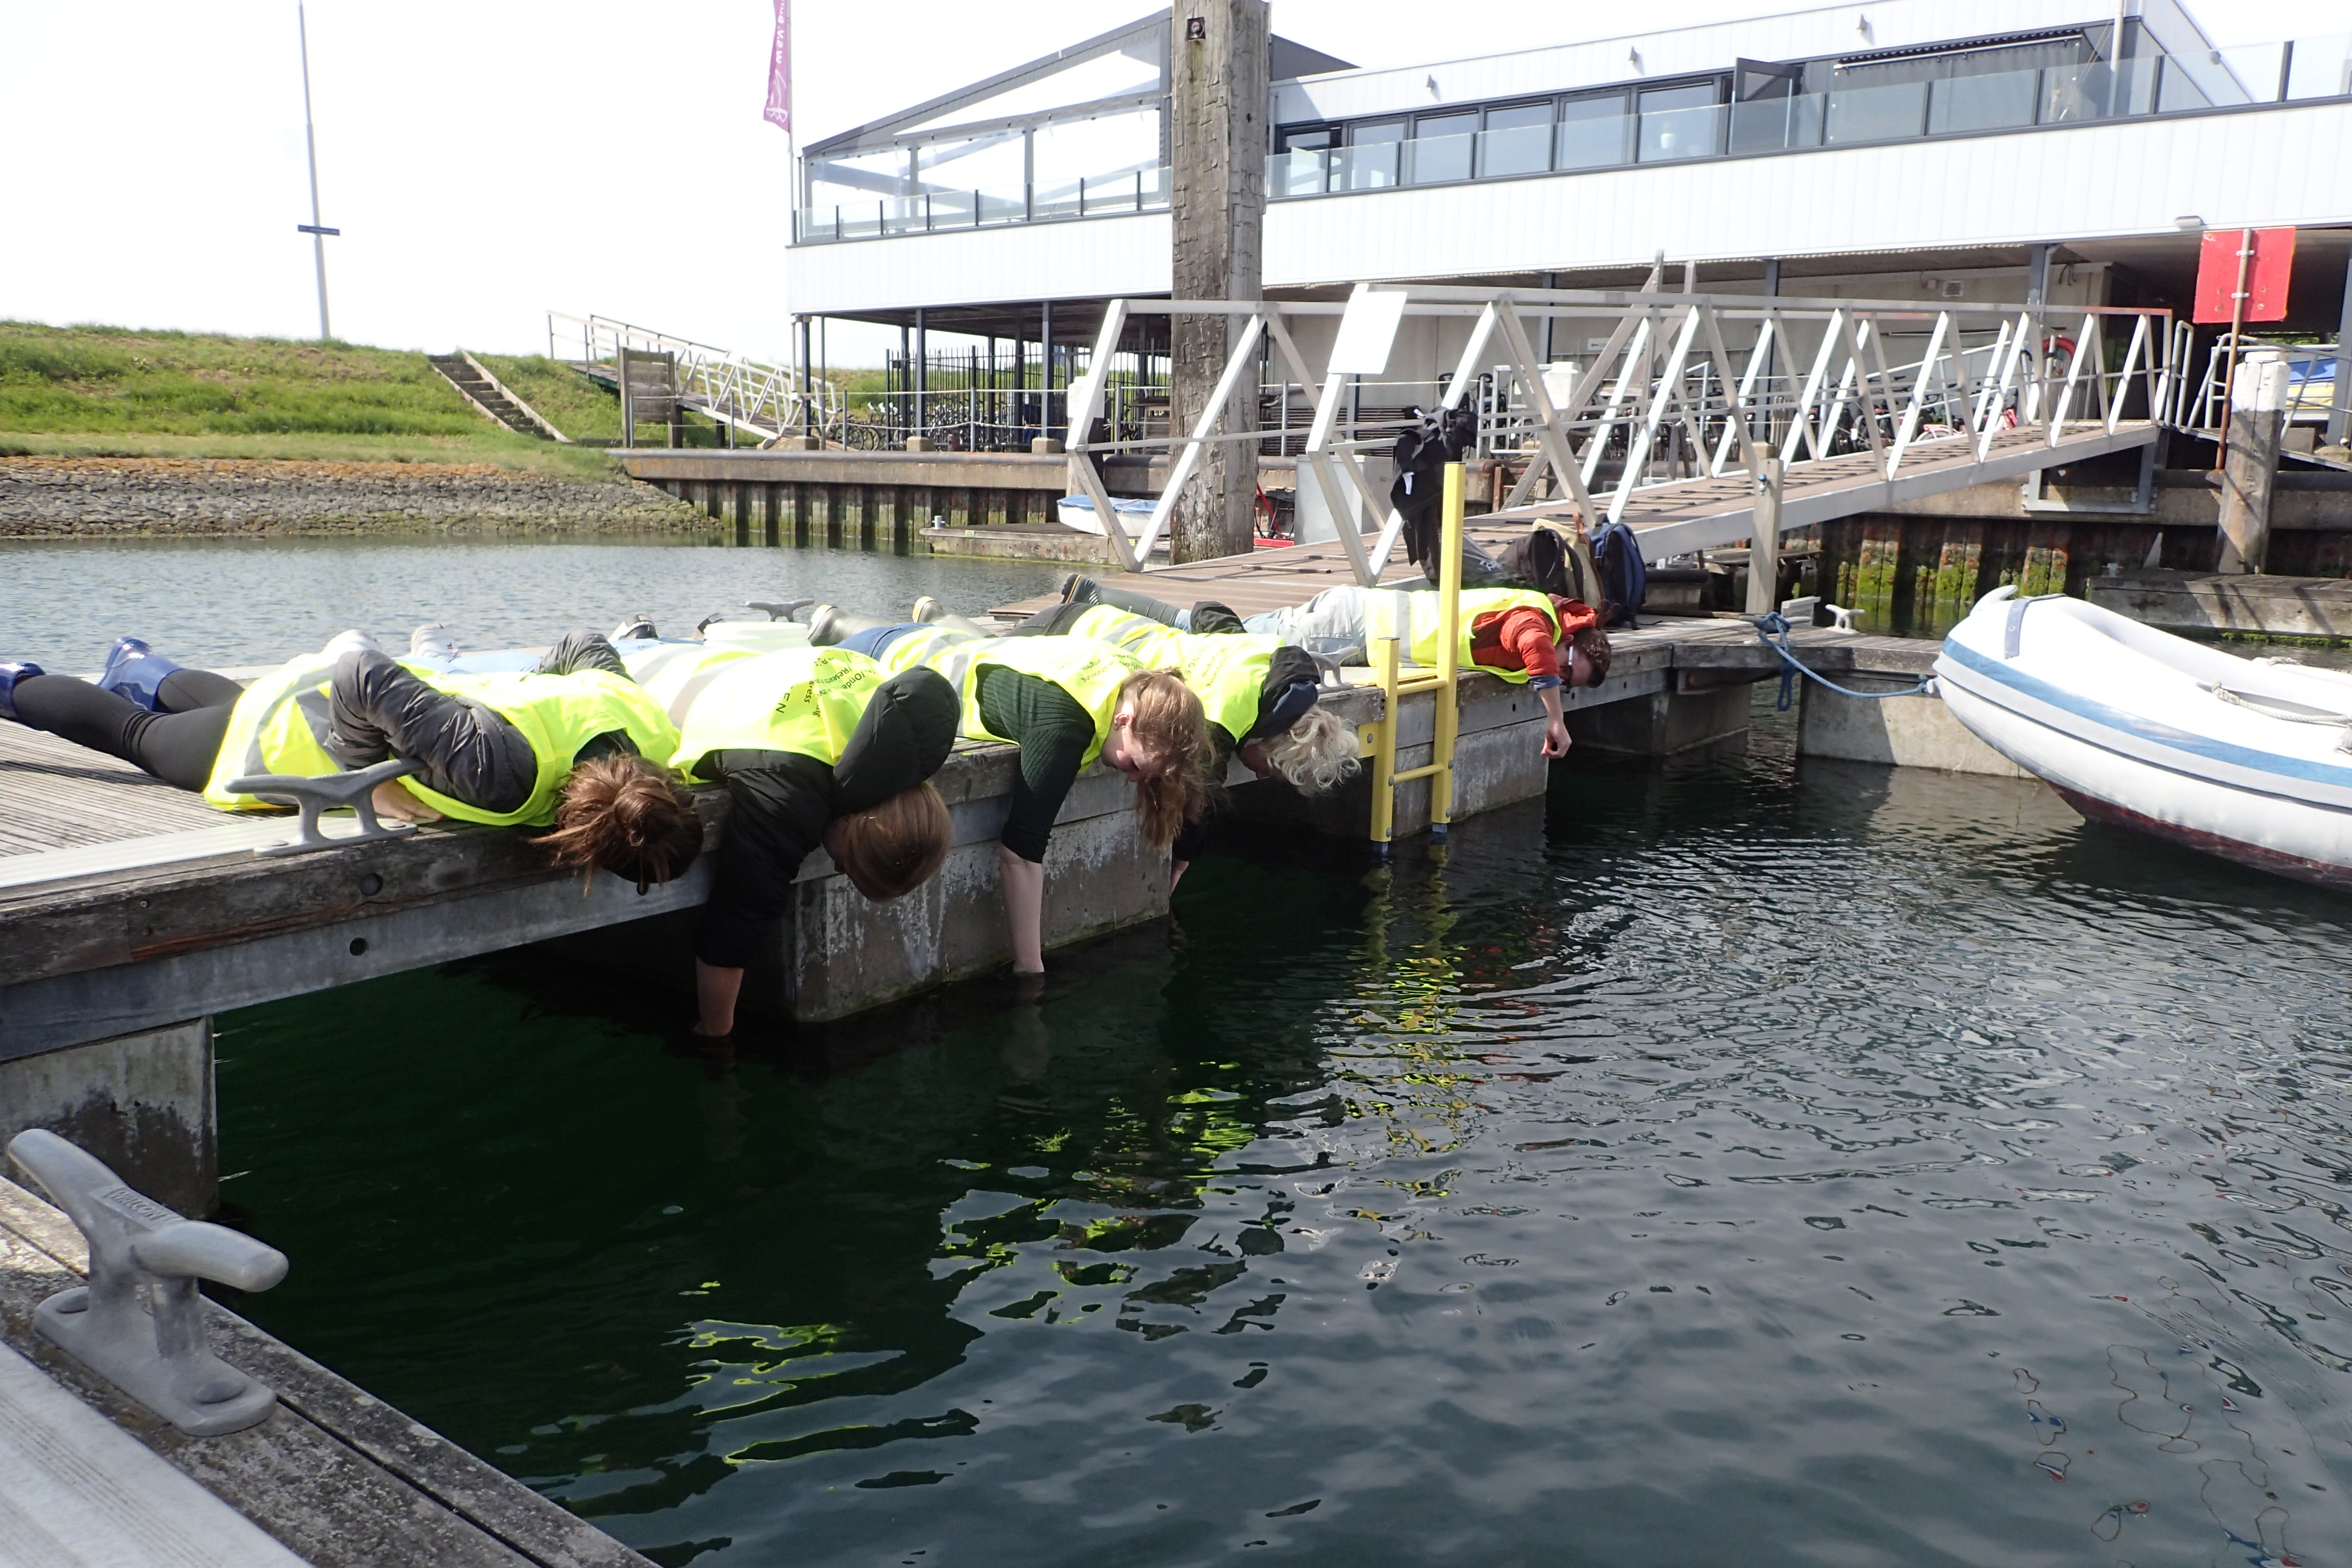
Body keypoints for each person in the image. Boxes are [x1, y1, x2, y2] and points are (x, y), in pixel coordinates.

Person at [0, 628, 703, 889]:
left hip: (337, 698)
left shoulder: (647, 730)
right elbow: (358, 671)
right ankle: (17, 686)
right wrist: (367, 784)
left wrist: (532, 685)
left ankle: (140, 662)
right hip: (305, 729)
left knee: (239, 701)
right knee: (139, 739)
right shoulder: (497, 774)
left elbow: (586, 645)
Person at [804, 607, 1213, 974]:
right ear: (1124, 719)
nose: (1132, 780)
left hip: (939, 642)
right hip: (883, 656)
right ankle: (831, 624)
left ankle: (845, 618)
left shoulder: (1138, 680)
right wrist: (1030, 969)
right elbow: (1019, 856)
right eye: (1134, 766)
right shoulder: (1063, 728)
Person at [655, 638, 960, 1039]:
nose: (834, 866)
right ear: (852, 825)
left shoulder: (904, 748)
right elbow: (735, 927)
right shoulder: (787, 799)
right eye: (847, 864)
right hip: (687, 693)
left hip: (765, 663)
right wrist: (714, 1034)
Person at [1056, 577, 1611, 761]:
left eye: (1570, 681)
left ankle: (1098, 600)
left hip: (1359, 631)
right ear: (1574, 638)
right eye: (1570, 665)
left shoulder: (1542, 631)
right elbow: (1534, 650)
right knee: (1212, 634)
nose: (1559, 674)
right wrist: (1555, 719)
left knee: (1216, 632)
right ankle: (1098, 599)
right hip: (1355, 627)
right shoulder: (1537, 620)